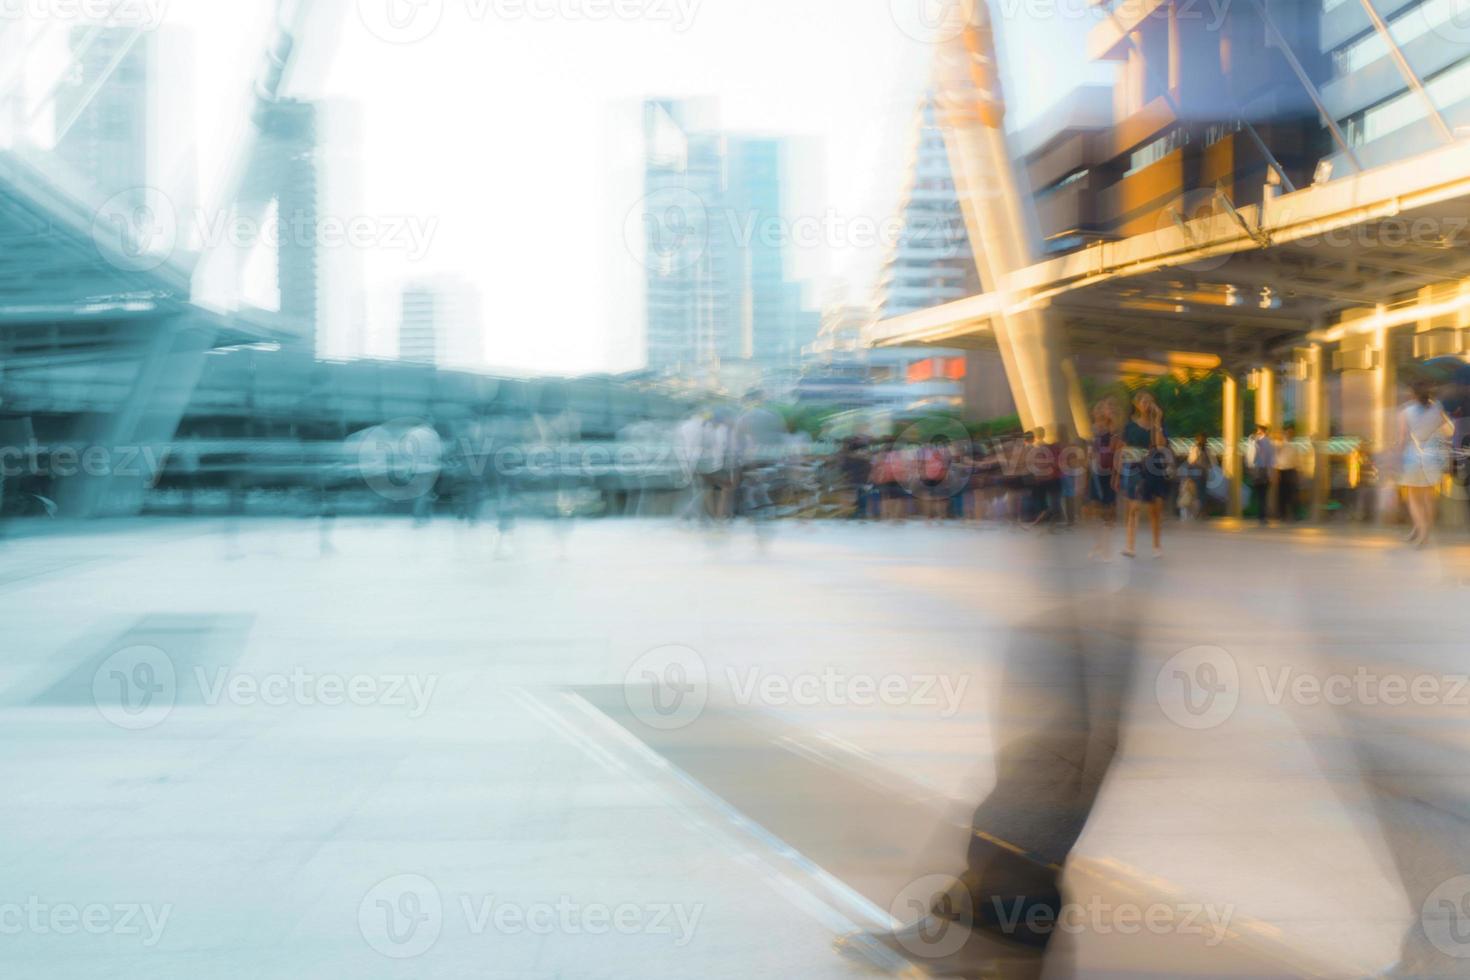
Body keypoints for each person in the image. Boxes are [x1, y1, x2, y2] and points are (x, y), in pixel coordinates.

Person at [1397, 379, 1453, 547]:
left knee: (1414, 498)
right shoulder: (1438, 409)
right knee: (1428, 497)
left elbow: (1401, 439)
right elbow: (1449, 431)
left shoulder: (1405, 411)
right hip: (1432, 458)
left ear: (1412, 394)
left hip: (1412, 458)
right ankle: (1424, 530)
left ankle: (1421, 531)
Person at [1116, 390, 1168, 558]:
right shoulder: (1130, 426)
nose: (1147, 405)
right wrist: (1118, 472)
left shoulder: (1156, 427)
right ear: (1137, 404)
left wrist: (1158, 420)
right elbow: (1122, 448)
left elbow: (1160, 445)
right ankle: (1130, 546)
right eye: (1144, 401)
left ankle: (1157, 546)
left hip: (1154, 467)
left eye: (1150, 401)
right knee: (1134, 507)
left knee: (1154, 509)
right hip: (1134, 468)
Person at [1086, 399, 1120, 558]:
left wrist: (1116, 475)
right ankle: (1099, 544)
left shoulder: (1113, 430)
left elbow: (1116, 453)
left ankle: (1105, 547)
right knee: (1094, 508)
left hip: (1108, 473)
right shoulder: (1094, 430)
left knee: (1108, 511)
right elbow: (1092, 451)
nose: (1102, 411)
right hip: (1097, 471)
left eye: (1106, 408)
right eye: (1100, 409)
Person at [1247, 424, 1275, 525]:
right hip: (1264, 471)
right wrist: (1271, 473)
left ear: (1260, 431)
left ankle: (1261, 516)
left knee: (1260, 495)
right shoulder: (1268, 442)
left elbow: (1252, 457)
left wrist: (1250, 468)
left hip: (1258, 471)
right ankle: (1262, 516)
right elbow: (1271, 460)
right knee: (1263, 495)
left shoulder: (1256, 442)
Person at [1275, 424, 1302, 522]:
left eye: (1292, 432)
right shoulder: (1280, 444)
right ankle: (1283, 515)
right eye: (1289, 432)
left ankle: (1293, 514)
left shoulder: (1294, 445)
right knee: (1283, 494)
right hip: (1282, 471)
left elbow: (1297, 460)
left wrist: (1298, 470)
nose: (1291, 434)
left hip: (1292, 470)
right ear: (1285, 433)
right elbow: (1276, 458)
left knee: (1293, 494)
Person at [1185, 432, 1213, 521]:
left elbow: (1211, 462)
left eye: (1204, 439)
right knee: (1198, 494)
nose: (1203, 440)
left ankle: (1202, 512)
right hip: (1196, 473)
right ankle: (1199, 513)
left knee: (1202, 493)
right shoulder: (1195, 448)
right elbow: (1191, 461)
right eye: (1202, 438)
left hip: (1203, 474)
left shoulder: (1207, 450)